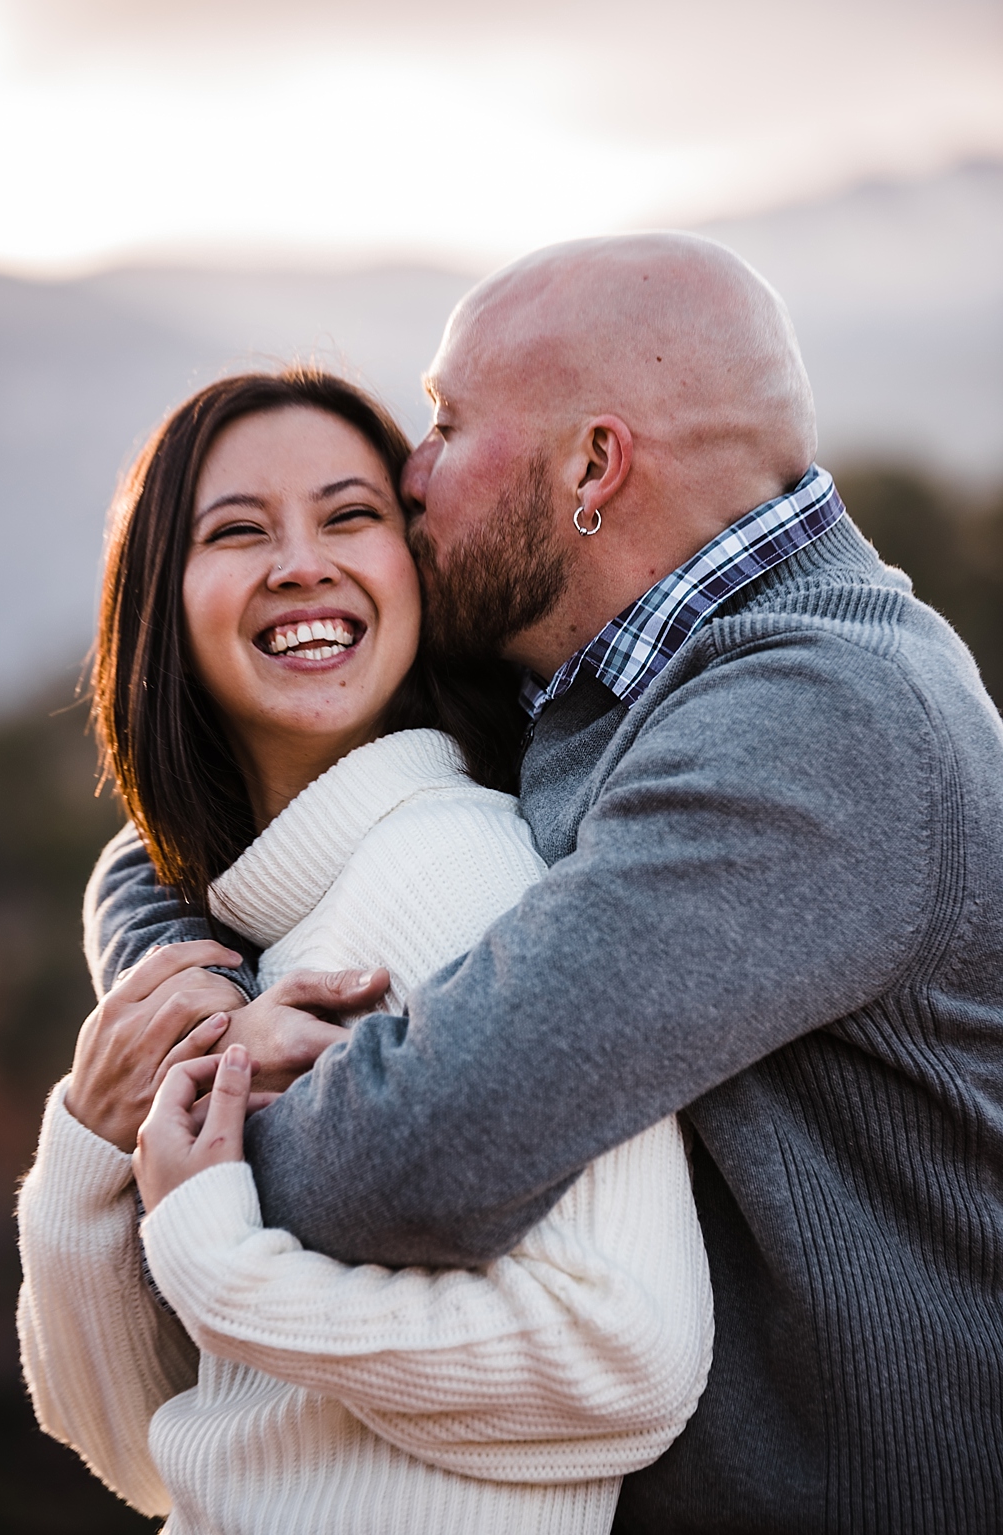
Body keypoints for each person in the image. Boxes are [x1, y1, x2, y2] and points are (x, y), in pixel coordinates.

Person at [88, 234, 1003, 1530]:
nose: (409, 472)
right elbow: (187, 833)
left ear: (590, 467)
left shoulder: (820, 721)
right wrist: (194, 991)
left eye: (447, 423)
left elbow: (422, 1148)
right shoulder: (595, 671)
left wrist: (194, 1145)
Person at [18, 369, 712, 1533]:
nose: (301, 563)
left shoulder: (459, 869)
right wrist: (88, 1138)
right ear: (158, 603)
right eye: (237, 530)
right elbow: (144, 1451)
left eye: (348, 516)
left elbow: (624, 1357)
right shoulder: (241, 938)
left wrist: (222, 1266)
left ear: (414, 566)